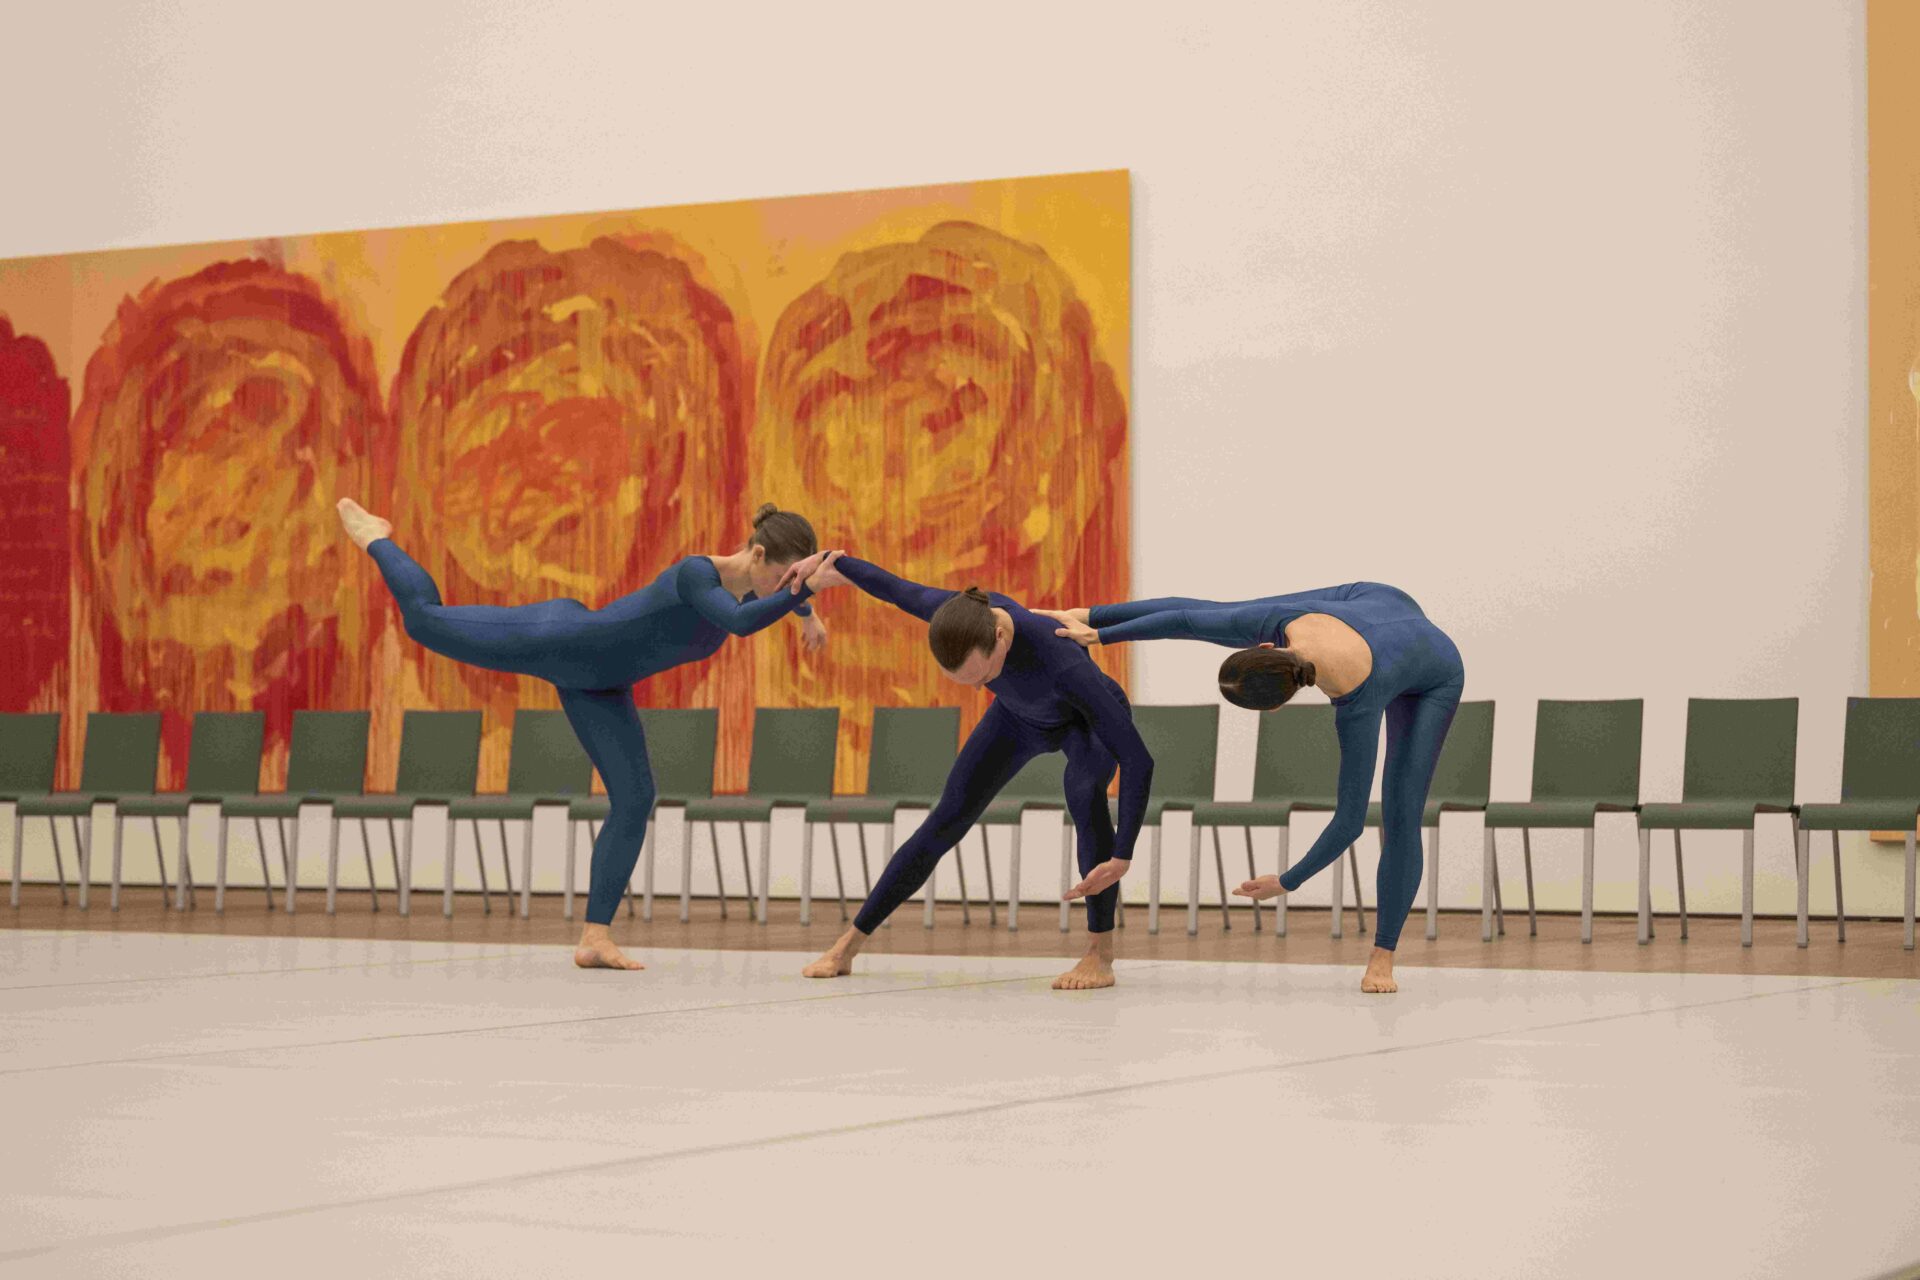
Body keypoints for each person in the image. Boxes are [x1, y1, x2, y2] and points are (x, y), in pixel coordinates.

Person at [335, 498, 828, 971]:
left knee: (635, 799)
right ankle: (377, 538)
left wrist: (807, 616)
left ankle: (595, 938)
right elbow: (739, 624)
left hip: (601, 686)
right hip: (559, 640)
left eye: (793, 580)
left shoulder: (752, 590)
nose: (784, 588)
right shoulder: (697, 575)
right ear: (757, 555)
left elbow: (765, 603)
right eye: (784, 577)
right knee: (423, 621)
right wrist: (805, 594)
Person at [1039, 583, 1463, 993]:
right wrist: (1094, 626)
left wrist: (1287, 881)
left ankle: (1383, 955)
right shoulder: (1281, 621)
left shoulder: (1356, 700)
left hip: (1433, 671)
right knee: (1221, 611)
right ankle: (1087, 616)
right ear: (1264, 647)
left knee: (1401, 813)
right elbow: (1189, 618)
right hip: (1373, 599)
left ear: (1275, 705)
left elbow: (1350, 821)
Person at [785, 552, 1154, 990]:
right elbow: (896, 588)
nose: (979, 687)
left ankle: (1099, 955)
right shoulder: (958, 615)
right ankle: (847, 945)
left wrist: (1122, 855)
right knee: (946, 818)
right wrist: (833, 564)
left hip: (1084, 722)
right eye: (967, 680)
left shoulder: (1062, 661)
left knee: (1083, 792)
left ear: (1000, 637)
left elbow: (1138, 758)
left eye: (983, 674)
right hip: (1019, 717)